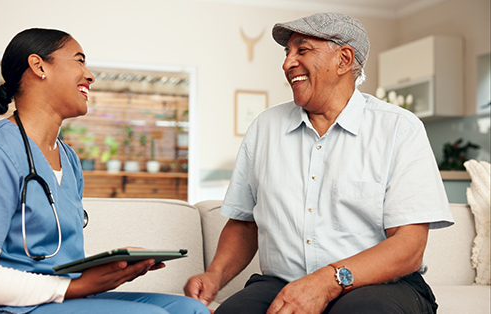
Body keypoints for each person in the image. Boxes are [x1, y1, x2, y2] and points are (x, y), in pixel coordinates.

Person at [184, 12, 454, 314]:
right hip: (283, 282)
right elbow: (245, 223)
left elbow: (409, 247)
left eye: (302, 50)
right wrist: (214, 275)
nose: (287, 63)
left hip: (380, 285)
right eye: (287, 53)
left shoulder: (399, 129)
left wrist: (326, 282)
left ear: (344, 59)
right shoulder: (264, 128)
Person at [0, 28, 210, 314]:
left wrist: (107, 270)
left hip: (57, 298)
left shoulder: (68, 158)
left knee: (190, 310)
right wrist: (77, 286)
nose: (90, 75)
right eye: (79, 61)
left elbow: (50, 258)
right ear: (39, 66)